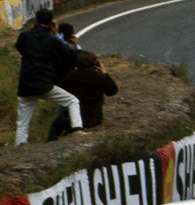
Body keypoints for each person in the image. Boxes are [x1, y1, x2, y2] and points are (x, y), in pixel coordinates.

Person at [15, 9, 84, 146]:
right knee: (72, 101)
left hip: (26, 85)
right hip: (44, 84)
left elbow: (20, 48)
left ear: (35, 20)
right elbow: (70, 56)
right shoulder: (52, 41)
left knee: (22, 123)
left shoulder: (25, 36)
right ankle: (77, 131)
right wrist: (60, 37)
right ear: (52, 22)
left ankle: (19, 147)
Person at [49, 51, 118, 140]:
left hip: (73, 119)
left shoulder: (71, 76)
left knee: (56, 124)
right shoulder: (99, 77)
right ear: (95, 63)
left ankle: (51, 141)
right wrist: (104, 72)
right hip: (94, 119)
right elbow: (112, 91)